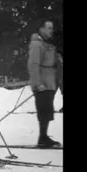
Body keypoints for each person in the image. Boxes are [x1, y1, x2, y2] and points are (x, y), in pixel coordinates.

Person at [27, 19, 62, 147]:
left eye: (52, 28)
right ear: (41, 29)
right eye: (49, 28)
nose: (51, 30)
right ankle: (42, 138)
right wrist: (37, 83)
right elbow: (33, 64)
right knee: (43, 110)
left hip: (49, 82)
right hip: (42, 83)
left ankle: (44, 136)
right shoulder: (37, 45)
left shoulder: (47, 44)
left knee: (47, 110)